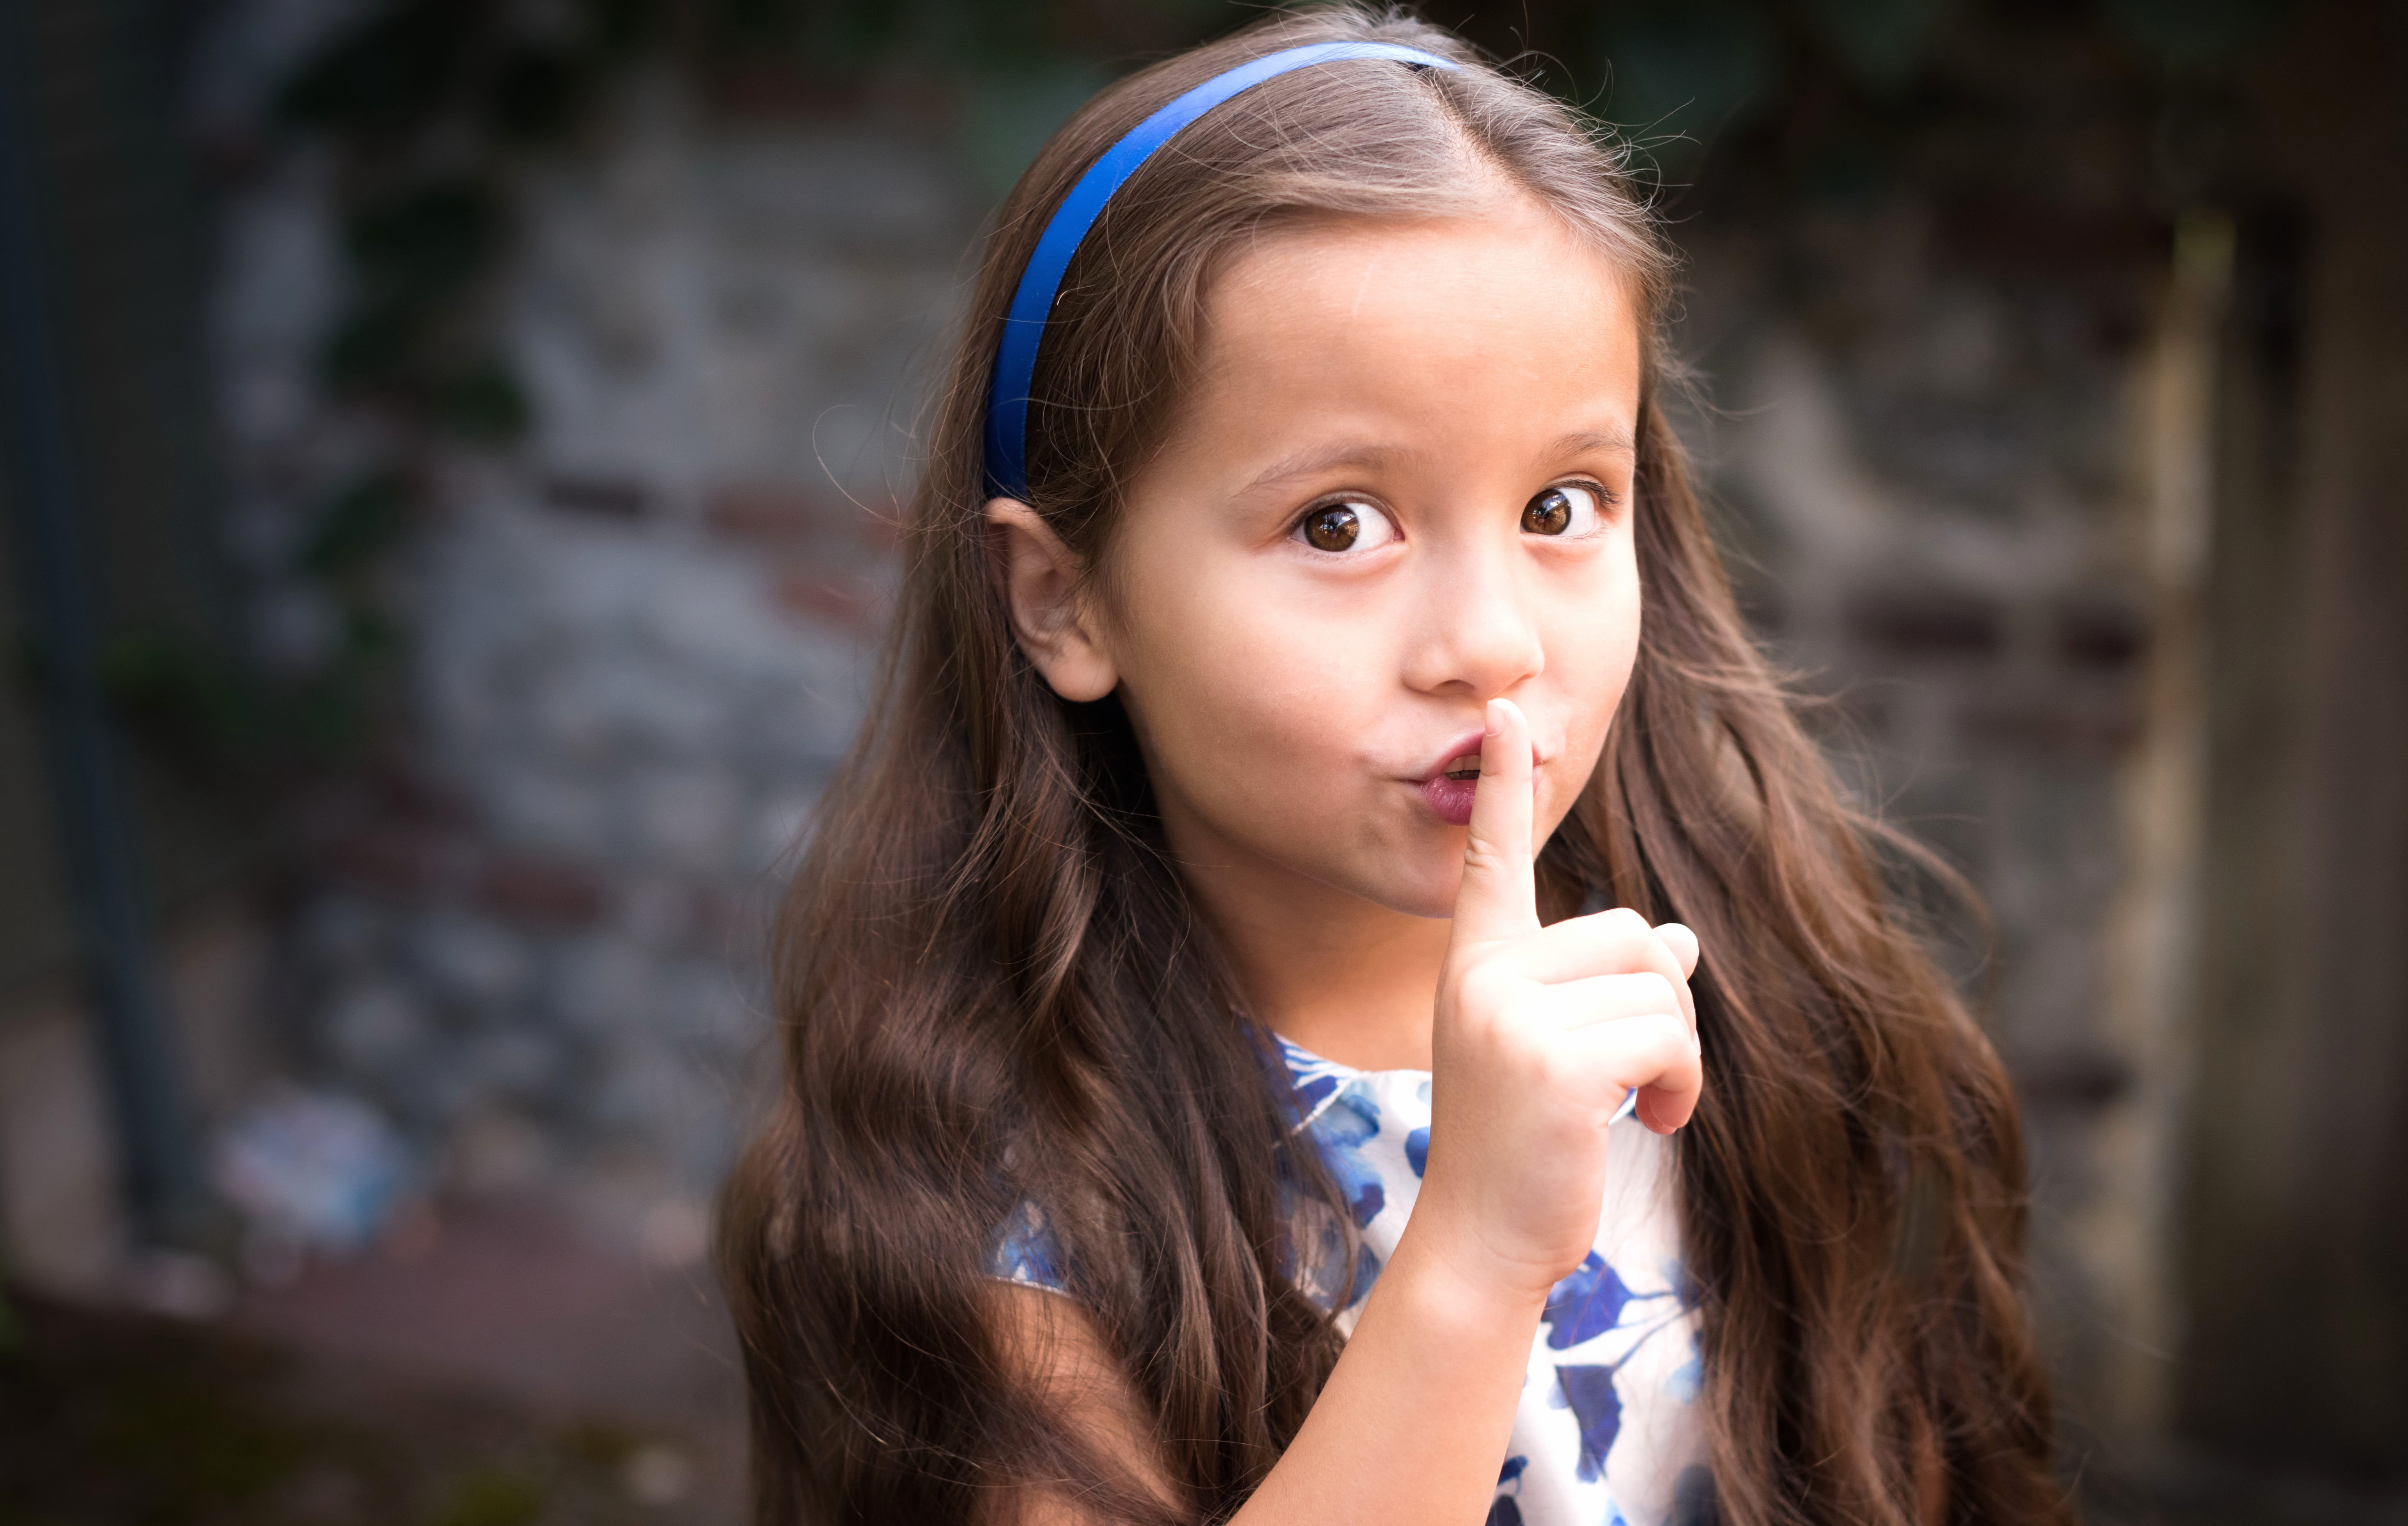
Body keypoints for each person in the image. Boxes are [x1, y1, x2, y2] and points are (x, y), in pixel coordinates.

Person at [719, 7, 2063, 1524]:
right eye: (1338, 524)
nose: (1489, 643)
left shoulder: (1749, 1020)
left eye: (1562, 503)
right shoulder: (995, 1195)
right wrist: (1476, 1251)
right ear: (1065, 600)